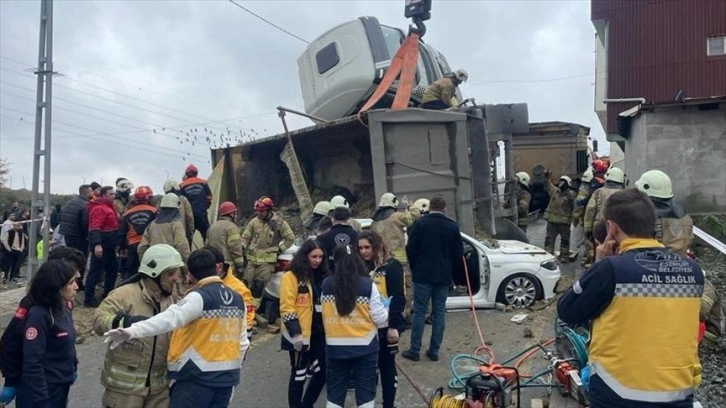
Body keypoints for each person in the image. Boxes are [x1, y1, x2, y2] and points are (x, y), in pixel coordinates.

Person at [557, 189, 704, 408]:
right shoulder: (693, 271)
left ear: (611, 228)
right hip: (678, 395)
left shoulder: (610, 270)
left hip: (617, 395)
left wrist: (598, 265)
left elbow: (567, 311)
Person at [104, 249, 248, 408]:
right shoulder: (237, 299)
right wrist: (232, 373)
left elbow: (169, 319)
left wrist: (132, 330)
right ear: (217, 268)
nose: (176, 279)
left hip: (195, 380)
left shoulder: (199, 297)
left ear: (191, 276)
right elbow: (243, 343)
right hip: (226, 382)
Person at [92, 244, 183, 408]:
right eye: (171, 273)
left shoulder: (172, 300)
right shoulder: (124, 294)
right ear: (155, 273)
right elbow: (99, 320)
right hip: (124, 392)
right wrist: (125, 323)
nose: (175, 277)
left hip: (158, 390)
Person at [0, 247, 85, 407]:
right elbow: (11, 342)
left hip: (59, 385)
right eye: (72, 279)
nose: (77, 283)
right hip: (41, 390)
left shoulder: (63, 305)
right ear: (57, 282)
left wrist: (71, 365)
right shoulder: (35, 310)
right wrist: (11, 381)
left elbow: (65, 339)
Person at [321, 245, 388, 408]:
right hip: (365, 348)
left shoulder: (326, 284)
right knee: (365, 394)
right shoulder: (368, 285)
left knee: (335, 394)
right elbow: (379, 319)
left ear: (335, 261)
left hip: (335, 347)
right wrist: (387, 310)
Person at [402, 196, 462, 362]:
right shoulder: (452, 226)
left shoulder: (420, 224)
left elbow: (410, 249)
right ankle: (434, 351)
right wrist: (450, 271)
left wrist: (415, 268)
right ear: (444, 208)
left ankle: (414, 350)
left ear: (430, 207)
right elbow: (458, 253)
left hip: (422, 275)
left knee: (420, 311)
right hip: (443, 276)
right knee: (439, 311)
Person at [357, 231, 406, 408]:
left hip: (386, 326)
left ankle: (389, 404)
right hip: (365, 326)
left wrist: (393, 326)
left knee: (387, 368)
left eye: (367, 247)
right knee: (368, 369)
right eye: (360, 248)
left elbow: (398, 297)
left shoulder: (392, 266)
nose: (363, 251)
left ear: (376, 246)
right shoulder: (360, 266)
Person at [279, 239, 329, 408]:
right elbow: (287, 307)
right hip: (300, 334)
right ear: (304, 256)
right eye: (314, 256)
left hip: (319, 332)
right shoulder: (291, 276)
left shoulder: (323, 276)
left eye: (321, 257)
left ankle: (307, 404)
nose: (317, 260)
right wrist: (296, 334)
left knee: (322, 371)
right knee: (299, 375)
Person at [371, 192, 421, 317]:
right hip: (399, 262)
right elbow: (414, 216)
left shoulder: (374, 222)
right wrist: (411, 205)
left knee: (383, 287)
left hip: (380, 262)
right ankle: (405, 314)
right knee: (405, 286)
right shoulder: (396, 217)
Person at [240, 196, 295, 299]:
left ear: (269, 210)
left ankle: (254, 310)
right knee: (245, 286)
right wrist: (242, 246)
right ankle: (246, 308)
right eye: (258, 211)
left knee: (258, 289)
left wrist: (280, 249)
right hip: (251, 262)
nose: (259, 214)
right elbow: (245, 237)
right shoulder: (254, 222)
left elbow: (290, 238)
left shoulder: (279, 223)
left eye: (262, 211)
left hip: (266, 264)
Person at [634, 170, 693, 257]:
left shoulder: (647, 216)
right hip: (682, 263)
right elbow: (689, 239)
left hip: (655, 265)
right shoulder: (684, 214)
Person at [203, 245, 255, 340]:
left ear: (219, 267)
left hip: (231, 341)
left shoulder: (238, 289)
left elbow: (248, 320)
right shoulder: (202, 283)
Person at [85, 186, 120, 308]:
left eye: (114, 194)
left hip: (109, 246)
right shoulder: (100, 209)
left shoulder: (109, 208)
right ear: (104, 195)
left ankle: (107, 293)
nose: (114, 196)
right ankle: (88, 298)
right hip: (102, 246)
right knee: (96, 271)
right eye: (111, 194)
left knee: (113, 269)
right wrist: (97, 244)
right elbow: (94, 227)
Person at [583, 167, 625, 266]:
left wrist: (588, 230)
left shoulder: (598, 192)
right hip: (619, 232)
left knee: (599, 254)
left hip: (600, 230)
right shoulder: (624, 194)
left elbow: (590, 211)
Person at [138, 193, 191, 264]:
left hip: (155, 266)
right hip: (172, 267)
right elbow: (182, 248)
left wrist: (147, 265)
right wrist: (185, 267)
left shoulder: (151, 225)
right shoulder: (177, 225)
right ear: (176, 209)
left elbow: (142, 248)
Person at [118, 186, 157, 280]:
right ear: (148, 197)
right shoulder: (154, 211)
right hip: (148, 244)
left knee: (131, 271)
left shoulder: (127, 213)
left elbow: (122, 232)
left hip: (132, 245)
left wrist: (122, 247)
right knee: (150, 270)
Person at [59, 184, 92, 288]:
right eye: (91, 191)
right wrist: (87, 235)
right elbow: (84, 223)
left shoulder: (69, 203)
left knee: (70, 258)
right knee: (80, 259)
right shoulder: (85, 205)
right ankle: (78, 283)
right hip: (79, 237)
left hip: (67, 235)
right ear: (87, 192)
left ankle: (68, 280)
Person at [542, 172, 576, 262]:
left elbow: (575, 207)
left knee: (565, 240)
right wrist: (546, 177)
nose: (560, 183)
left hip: (564, 223)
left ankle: (564, 256)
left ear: (567, 184)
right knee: (549, 240)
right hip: (552, 222)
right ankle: (548, 257)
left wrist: (576, 218)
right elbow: (547, 185)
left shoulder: (571, 194)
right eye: (560, 182)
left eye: (563, 182)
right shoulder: (555, 191)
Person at [206, 201, 246, 275]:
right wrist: (240, 265)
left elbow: (207, 245)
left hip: (214, 267)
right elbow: (235, 248)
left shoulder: (212, 227)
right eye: (235, 213)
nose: (236, 215)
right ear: (231, 214)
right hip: (228, 268)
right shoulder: (231, 227)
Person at [317, 207, 358, 273]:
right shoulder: (358, 236)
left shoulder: (321, 238)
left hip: (329, 275)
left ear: (332, 219)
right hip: (354, 275)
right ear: (349, 220)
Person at [179, 164, 213, 240]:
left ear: (187, 174)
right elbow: (209, 197)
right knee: (207, 236)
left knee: (188, 238)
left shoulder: (181, 185)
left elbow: (181, 202)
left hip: (189, 217)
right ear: (196, 173)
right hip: (202, 214)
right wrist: (205, 207)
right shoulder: (203, 182)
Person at [163, 179, 195, 245]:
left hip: (166, 237)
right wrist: (191, 232)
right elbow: (189, 217)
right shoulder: (183, 200)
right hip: (181, 234)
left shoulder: (162, 201)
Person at [1, 218, 25, 285]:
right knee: (7, 265)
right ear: (13, 225)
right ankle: (5, 277)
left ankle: (12, 277)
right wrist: (9, 249)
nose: (18, 227)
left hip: (18, 250)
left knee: (15, 265)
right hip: (10, 250)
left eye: (19, 225)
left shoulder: (21, 233)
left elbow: (22, 242)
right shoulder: (9, 232)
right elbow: (5, 242)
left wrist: (21, 249)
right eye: (17, 225)